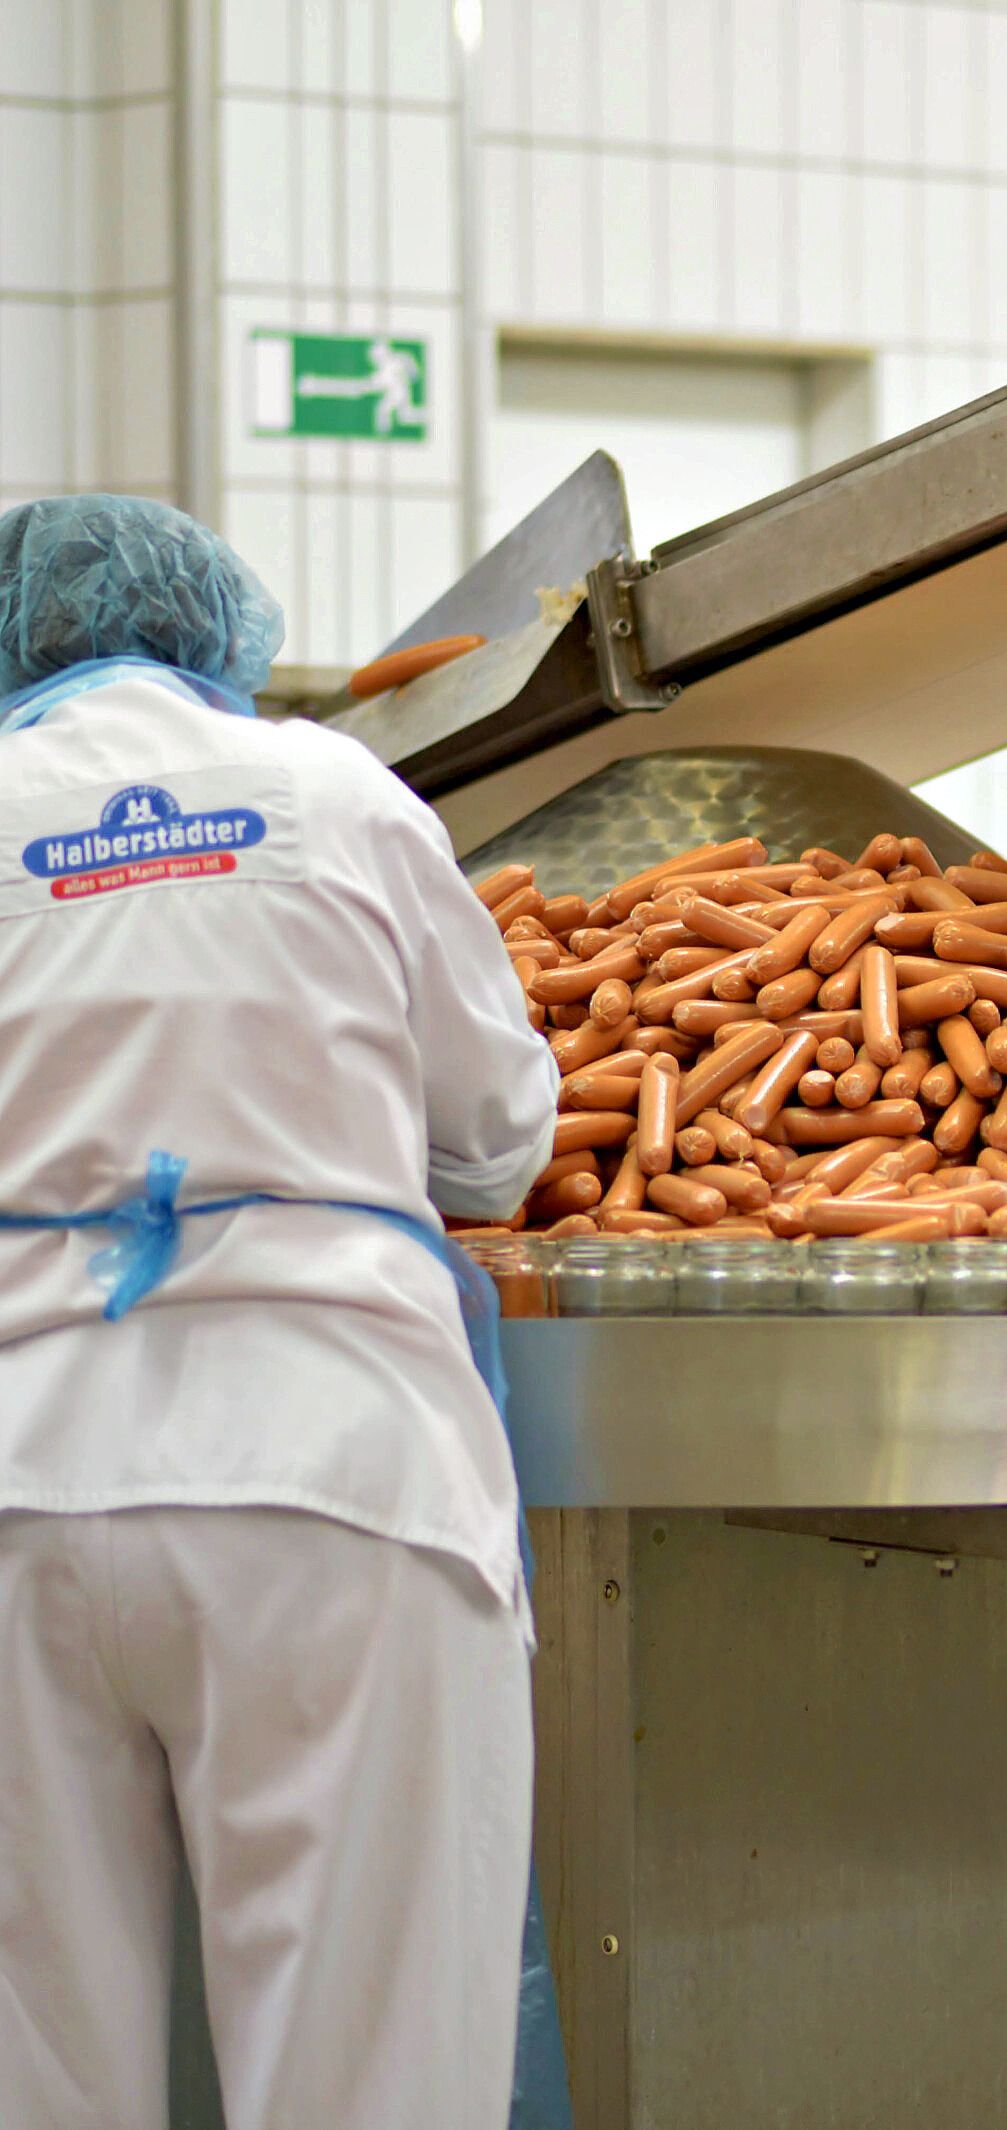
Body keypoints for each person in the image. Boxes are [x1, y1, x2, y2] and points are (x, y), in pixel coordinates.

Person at [0, 497, 557, 2127]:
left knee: (36, 2073)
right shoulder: (336, 792)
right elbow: (499, 1140)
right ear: (211, 632)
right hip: (332, 1477)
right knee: (366, 2069)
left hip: (19, 1488)